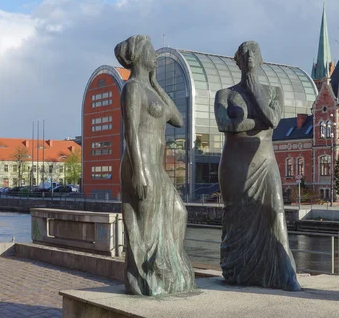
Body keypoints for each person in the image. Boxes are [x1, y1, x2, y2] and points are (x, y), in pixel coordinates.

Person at [214, 41, 301, 291]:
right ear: (238, 60)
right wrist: (256, 122)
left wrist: (253, 89)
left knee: (275, 213)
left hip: (265, 162)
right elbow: (224, 125)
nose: (250, 56)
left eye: (254, 52)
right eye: (244, 53)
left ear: (261, 60)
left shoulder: (273, 91)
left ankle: (285, 274)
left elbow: (273, 119)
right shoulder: (225, 94)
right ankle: (236, 269)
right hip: (235, 166)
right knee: (236, 216)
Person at [116, 35, 196, 296]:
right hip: (141, 164)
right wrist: (138, 170)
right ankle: (148, 273)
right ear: (139, 56)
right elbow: (130, 132)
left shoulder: (149, 88)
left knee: (179, 213)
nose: (156, 55)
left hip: (156, 168)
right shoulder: (133, 89)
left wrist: (157, 84)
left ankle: (168, 264)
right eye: (151, 51)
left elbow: (178, 119)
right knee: (147, 225)